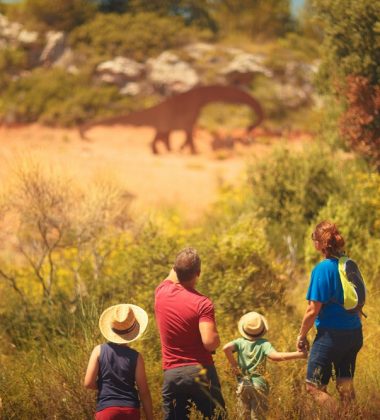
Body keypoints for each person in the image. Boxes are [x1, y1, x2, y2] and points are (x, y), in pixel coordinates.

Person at [296, 220, 363, 413]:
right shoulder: (350, 265)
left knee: (313, 386)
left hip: (331, 337)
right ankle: (354, 416)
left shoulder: (322, 269)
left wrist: (301, 335)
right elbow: (359, 300)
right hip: (354, 334)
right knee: (345, 384)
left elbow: (312, 310)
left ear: (319, 243)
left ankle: (342, 416)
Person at [154, 247, 226, 419]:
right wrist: (217, 338)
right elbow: (209, 342)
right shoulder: (202, 303)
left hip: (172, 375)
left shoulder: (161, 292)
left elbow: (174, 272)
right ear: (198, 273)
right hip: (200, 370)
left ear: (175, 270)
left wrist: (182, 262)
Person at [223, 311, 306, 419]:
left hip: (242, 383)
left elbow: (226, 348)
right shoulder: (263, 343)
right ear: (261, 330)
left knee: (243, 416)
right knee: (258, 416)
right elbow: (275, 356)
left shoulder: (239, 342)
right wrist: (299, 354)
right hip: (259, 385)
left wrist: (234, 366)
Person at [84, 303, 154, 420]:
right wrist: (150, 417)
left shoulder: (98, 351)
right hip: (130, 411)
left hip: (106, 410)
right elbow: (144, 391)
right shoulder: (136, 357)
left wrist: (104, 385)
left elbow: (88, 383)